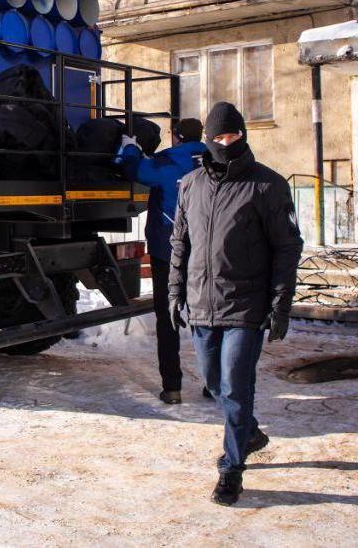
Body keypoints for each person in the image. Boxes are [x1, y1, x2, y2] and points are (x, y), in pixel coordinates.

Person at [168, 101, 303, 506]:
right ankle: (251, 433)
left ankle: (232, 469)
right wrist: (175, 292)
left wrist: (281, 304)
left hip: (246, 305)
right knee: (214, 384)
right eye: (219, 137)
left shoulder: (267, 185)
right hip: (201, 303)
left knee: (235, 386)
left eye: (234, 136)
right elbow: (180, 244)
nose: (226, 144)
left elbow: (287, 247)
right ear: (208, 140)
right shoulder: (190, 185)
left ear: (244, 136)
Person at [116, 118, 207, 405]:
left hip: (168, 252)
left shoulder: (168, 161)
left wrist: (130, 147)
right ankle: (216, 382)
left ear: (176, 136)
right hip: (208, 252)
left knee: (168, 319)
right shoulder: (217, 161)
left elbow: (133, 169)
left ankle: (172, 387)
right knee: (208, 316)